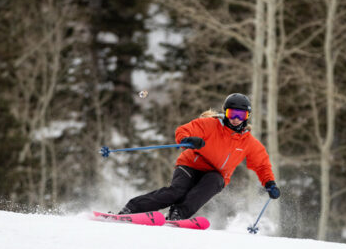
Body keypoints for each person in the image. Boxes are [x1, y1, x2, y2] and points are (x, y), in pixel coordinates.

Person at [119, 93, 280, 220]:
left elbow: (262, 165)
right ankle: (131, 208)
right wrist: (187, 140)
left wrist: (269, 183)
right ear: (225, 113)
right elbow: (184, 130)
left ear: (247, 116)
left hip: (216, 175)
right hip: (191, 165)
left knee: (215, 181)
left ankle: (178, 214)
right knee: (177, 192)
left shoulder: (248, 142)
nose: (236, 119)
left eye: (241, 115)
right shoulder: (210, 125)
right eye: (232, 114)